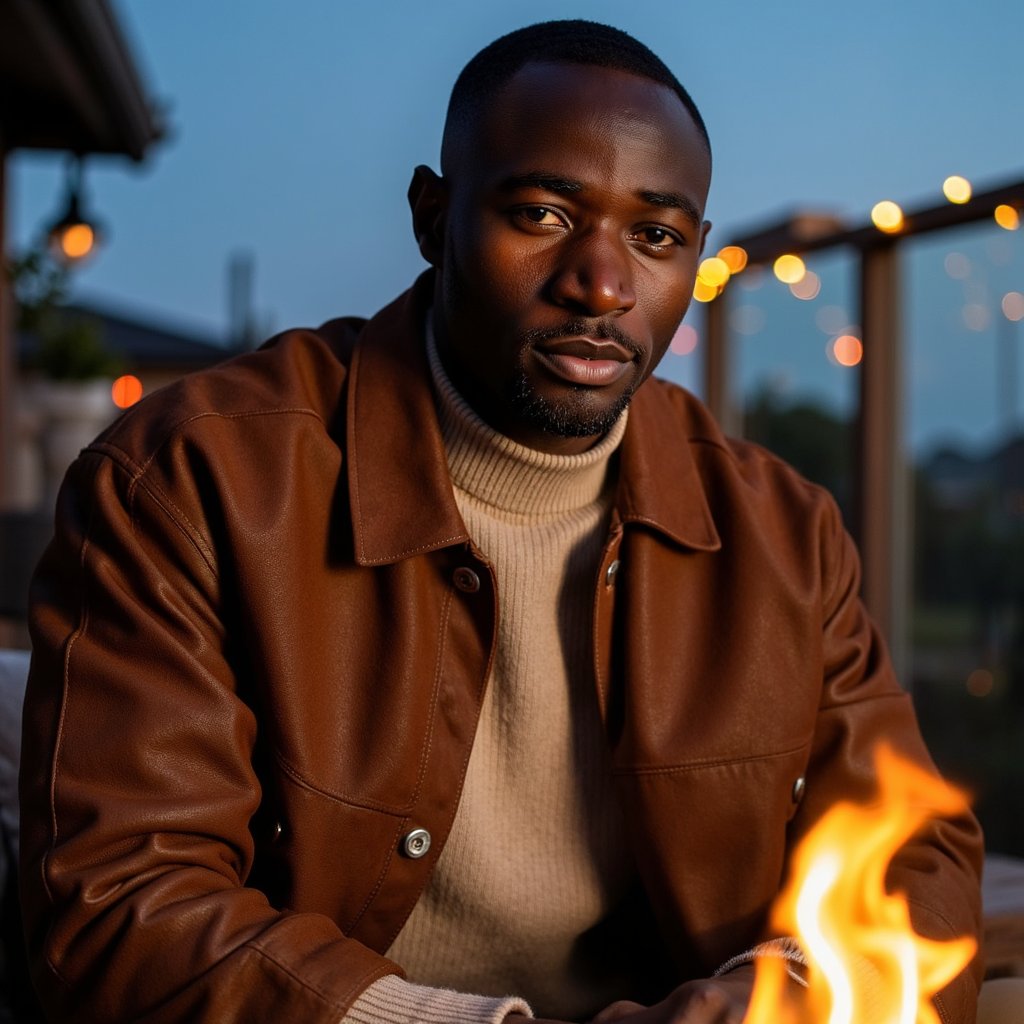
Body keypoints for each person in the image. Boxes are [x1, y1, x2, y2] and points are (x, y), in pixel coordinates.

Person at [19, 19, 983, 1024]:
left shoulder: (781, 530)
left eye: (655, 237)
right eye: (542, 215)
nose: (601, 284)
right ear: (433, 218)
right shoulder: (190, 479)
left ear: (695, 254)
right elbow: (122, 907)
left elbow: (919, 856)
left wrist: (772, 998)